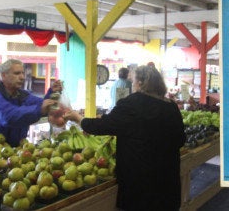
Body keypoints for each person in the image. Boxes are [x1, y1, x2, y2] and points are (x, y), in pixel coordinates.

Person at [65, 65, 185, 211]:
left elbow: (102, 127)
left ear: (140, 83)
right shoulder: (171, 106)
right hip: (167, 182)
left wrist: (78, 118)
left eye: (133, 81)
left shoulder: (132, 103)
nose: (132, 84)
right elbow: (180, 140)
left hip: (140, 185)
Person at [0, 59, 63, 147]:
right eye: (17, 73)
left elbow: (40, 105)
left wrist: (52, 93)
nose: (22, 77)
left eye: (22, 73)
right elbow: (8, 117)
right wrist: (39, 109)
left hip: (14, 153)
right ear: (4, 75)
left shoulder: (23, 95)